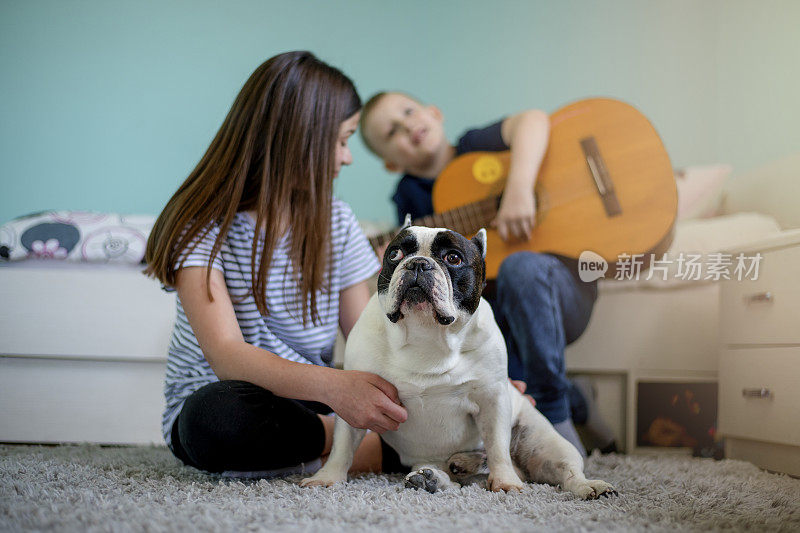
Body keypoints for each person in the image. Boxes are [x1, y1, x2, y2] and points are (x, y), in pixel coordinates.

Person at [144, 52, 409, 477]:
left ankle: (334, 451)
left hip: (309, 399)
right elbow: (228, 356)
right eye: (342, 140)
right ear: (299, 138)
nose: (348, 157)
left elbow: (371, 337)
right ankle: (356, 448)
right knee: (215, 419)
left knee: (416, 395)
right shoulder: (198, 227)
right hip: (238, 396)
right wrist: (338, 392)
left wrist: (464, 381)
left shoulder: (336, 221)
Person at [359, 92, 617, 456]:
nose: (408, 127)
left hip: (561, 288)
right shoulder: (409, 198)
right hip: (502, 313)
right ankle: (578, 399)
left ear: (434, 111)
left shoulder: (474, 146)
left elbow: (533, 119)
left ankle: (557, 411)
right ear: (388, 162)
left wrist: (519, 189)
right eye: (392, 132)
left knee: (520, 266)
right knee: (497, 378)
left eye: (409, 112)